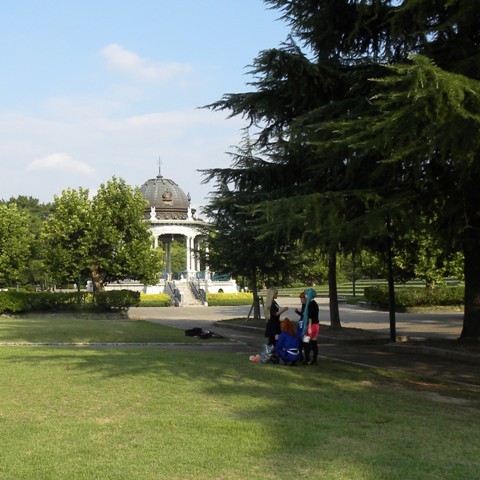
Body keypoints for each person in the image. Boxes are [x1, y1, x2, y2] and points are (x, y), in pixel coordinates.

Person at [300, 288, 320, 365]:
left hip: (311, 325)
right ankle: (314, 359)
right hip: (316, 325)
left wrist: (309, 328)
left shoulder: (310, 304)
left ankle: (307, 359)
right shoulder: (315, 303)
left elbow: (310, 317)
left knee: (306, 342)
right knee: (314, 342)